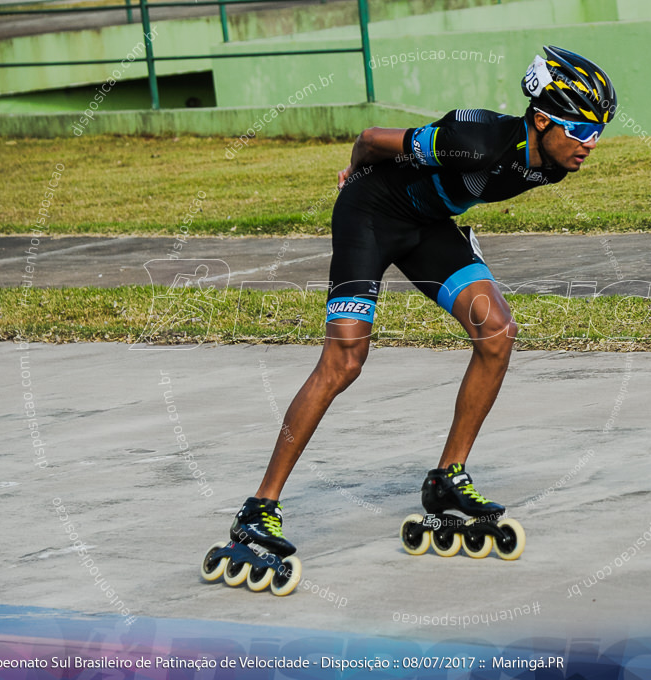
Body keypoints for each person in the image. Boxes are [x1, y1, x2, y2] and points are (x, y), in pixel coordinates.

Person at [222, 45, 615, 576]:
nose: (590, 145)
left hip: (427, 226)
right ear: (542, 117)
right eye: (582, 130)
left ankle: (447, 478)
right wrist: (351, 173)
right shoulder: (473, 142)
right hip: (371, 215)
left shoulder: (554, 163)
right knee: (344, 362)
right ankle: (259, 507)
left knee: (497, 333)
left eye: (598, 133)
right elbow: (368, 141)